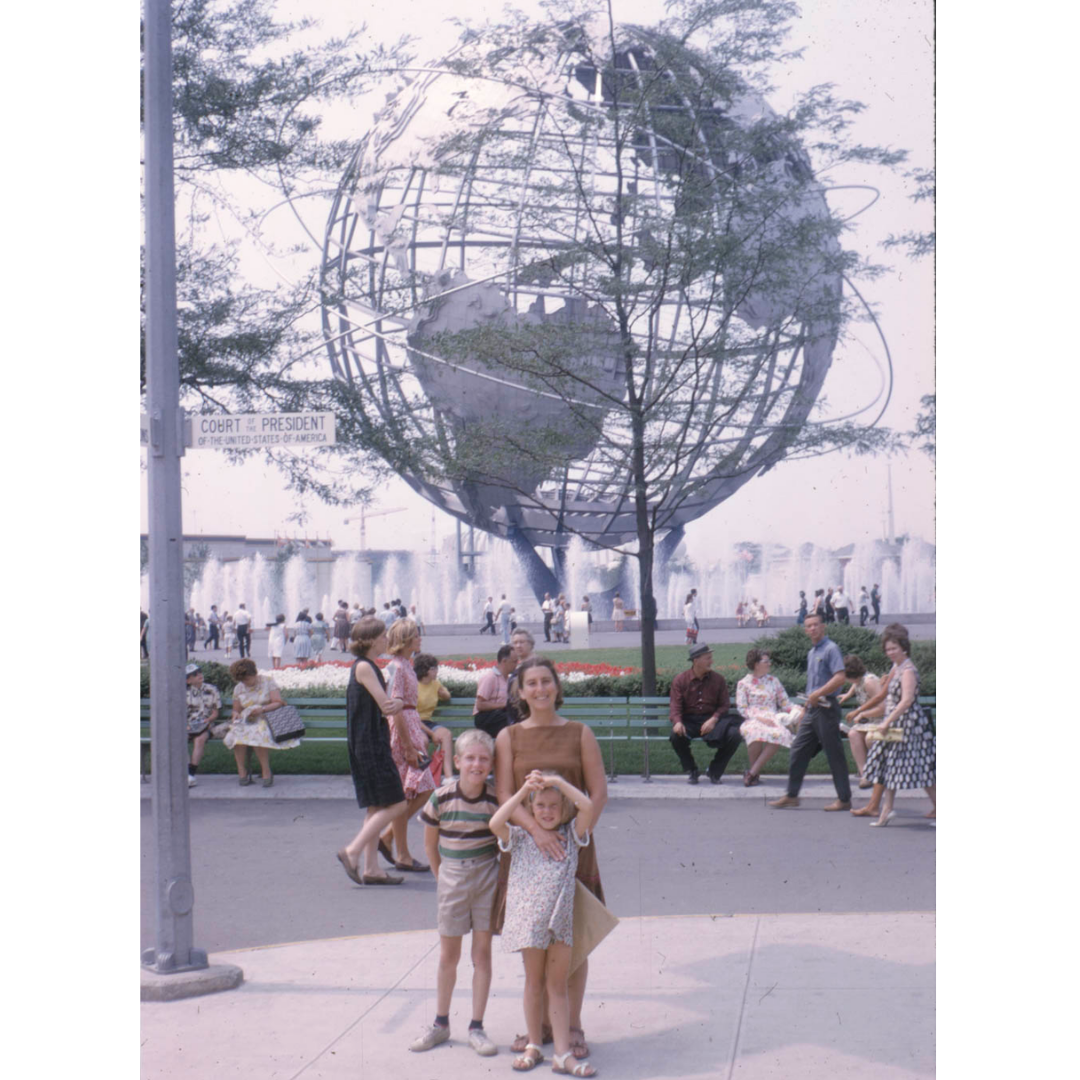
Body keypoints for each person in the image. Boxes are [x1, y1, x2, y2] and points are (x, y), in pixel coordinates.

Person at [493, 657, 608, 1066]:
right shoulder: (508, 737)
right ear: (520, 692)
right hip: (527, 852)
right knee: (534, 940)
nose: (540, 689)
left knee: (570, 941)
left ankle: (571, 1024)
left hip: (572, 851)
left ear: (557, 687)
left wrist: (563, 833)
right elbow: (504, 793)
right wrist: (538, 832)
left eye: (547, 682)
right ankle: (538, 1025)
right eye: (531, 683)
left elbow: (598, 793)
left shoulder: (580, 733)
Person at [490, 770, 598, 1077]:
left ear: (563, 809)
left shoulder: (572, 834)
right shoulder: (522, 837)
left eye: (553, 806)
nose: (547, 812)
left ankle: (562, 1054)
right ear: (531, 808)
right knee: (533, 983)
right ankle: (534, 1044)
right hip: (530, 924)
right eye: (540, 806)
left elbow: (588, 807)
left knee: (557, 986)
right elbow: (496, 822)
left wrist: (558, 784)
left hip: (559, 924)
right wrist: (524, 790)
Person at [410, 729, 501, 1057]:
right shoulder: (442, 797)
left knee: (482, 954)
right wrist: (442, 877)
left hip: (487, 877)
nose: (477, 764)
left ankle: (476, 1026)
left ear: (491, 764)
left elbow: (502, 841)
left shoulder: (494, 799)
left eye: (484, 759)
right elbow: (430, 844)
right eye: (470, 758)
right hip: (452, 876)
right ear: (458, 761)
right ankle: (441, 1023)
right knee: (449, 955)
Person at [335, 617, 411, 886]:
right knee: (398, 803)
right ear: (369, 640)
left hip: (367, 741)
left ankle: (371, 869)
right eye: (382, 636)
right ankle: (352, 851)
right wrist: (403, 701)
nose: (386, 640)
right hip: (371, 744)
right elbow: (387, 706)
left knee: (376, 806)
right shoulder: (366, 668)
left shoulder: (366, 666)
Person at [853, 626, 936, 826]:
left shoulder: (908, 670)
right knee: (889, 765)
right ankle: (886, 811)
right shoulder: (896, 668)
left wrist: (886, 722)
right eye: (888, 649)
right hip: (895, 723)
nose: (890, 652)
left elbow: (906, 701)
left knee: (922, 769)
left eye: (894, 648)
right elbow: (885, 694)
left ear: (904, 648)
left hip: (909, 726)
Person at [769, 612, 852, 811]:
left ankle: (844, 798)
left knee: (834, 754)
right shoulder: (812, 652)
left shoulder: (831, 649)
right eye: (808, 626)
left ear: (823, 627)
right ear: (805, 630)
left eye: (816, 625)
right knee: (798, 749)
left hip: (827, 708)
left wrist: (819, 693)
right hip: (812, 709)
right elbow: (811, 685)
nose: (812, 628)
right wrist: (806, 707)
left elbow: (840, 677)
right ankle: (792, 795)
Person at [378, 618, 436, 872]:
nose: (419, 638)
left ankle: (392, 840)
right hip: (403, 732)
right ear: (405, 640)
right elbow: (396, 708)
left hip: (411, 728)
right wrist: (408, 745)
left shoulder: (406, 666)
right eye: (415, 635)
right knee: (417, 790)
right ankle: (397, 847)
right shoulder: (397, 668)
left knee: (414, 791)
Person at [669, 643, 743, 784]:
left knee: (734, 734)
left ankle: (715, 771)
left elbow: (724, 705)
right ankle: (692, 770)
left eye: (711, 658)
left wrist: (714, 719)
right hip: (689, 721)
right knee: (675, 736)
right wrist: (677, 722)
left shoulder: (718, 679)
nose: (712, 661)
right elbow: (675, 705)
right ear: (696, 661)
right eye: (708, 658)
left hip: (712, 721)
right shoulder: (680, 680)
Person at [224, 658, 301, 787]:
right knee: (236, 735)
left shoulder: (268, 681)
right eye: (242, 680)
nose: (245, 683)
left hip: (266, 717)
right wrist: (235, 715)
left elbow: (278, 702)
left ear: (254, 674)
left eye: (247, 679)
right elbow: (236, 709)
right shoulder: (239, 688)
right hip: (247, 720)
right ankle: (242, 771)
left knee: (258, 734)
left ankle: (266, 770)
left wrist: (262, 709)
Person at [735, 649, 801, 787]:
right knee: (754, 733)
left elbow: (785, 703)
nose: (769, 664)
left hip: (772, 718)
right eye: (766, 661)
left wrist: (797, 709)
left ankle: (752, 773)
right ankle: (754, 774)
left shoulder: (773, 681)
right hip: (753, 719)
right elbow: (742, 708)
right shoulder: (743, 683)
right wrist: (758, 718)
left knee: (778, 734)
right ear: (756, 664)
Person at [837, 654, 884, 787]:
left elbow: (884, 708)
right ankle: (865, 774)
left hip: (883, 721)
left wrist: (862, 714)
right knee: (853, 734)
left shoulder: (869, 682)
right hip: (871, 722)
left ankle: (878, 772)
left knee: (870, 738)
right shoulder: (858, 681)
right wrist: (848, 694)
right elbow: (855, 685)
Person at [414, 652, 454, 779]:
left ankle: (448, 777)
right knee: (423, 740)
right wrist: (432, 734)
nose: (437, 671)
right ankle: (422, 777)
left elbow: (446, 694)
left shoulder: (435, 683)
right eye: (434, 668)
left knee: (446, 734)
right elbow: (411, 717)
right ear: (425, 670)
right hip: (414, 723)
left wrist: (444, 694)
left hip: (427, 722)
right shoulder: (413, 685)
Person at [185, 663, 221, 787]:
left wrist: (209, 720)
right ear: (188, 680)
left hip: (206, 723)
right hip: (189, 724)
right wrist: (186, 726)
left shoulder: (212, 689)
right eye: (194, 674)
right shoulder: (185, 693)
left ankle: (191, 773)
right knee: (179, 738)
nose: (199, 675)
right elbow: (181, 714)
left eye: (199, 671)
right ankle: (185, 772)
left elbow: (216, 712)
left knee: (200, 739)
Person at [473, 645, 515, 739]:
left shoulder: (508, 680)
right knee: (513, 722)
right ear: (504, 661)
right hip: (485, 718)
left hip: (499, 716)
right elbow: (480, 705)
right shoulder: (490, 677)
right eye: (514, 661)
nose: (516, 664)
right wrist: (503, 705)